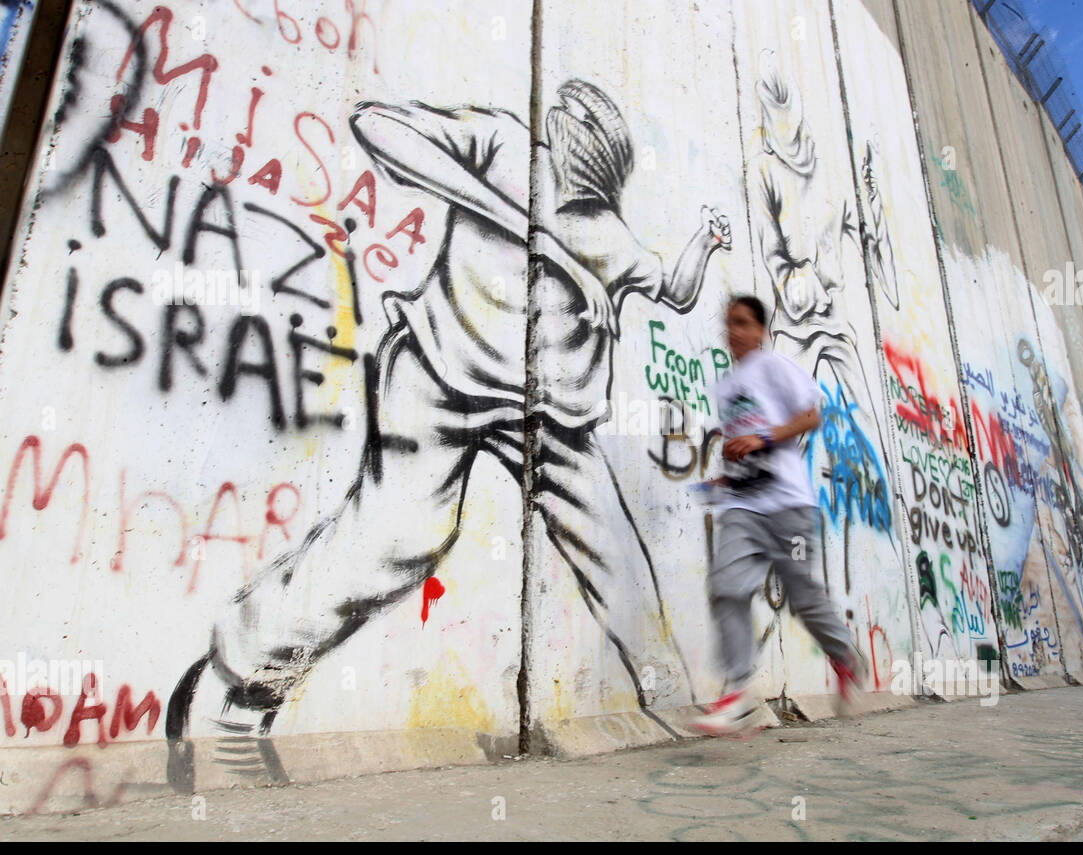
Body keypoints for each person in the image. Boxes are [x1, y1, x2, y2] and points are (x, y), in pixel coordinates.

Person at [166, 80, 733, 783]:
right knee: (396, 537)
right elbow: (378, 125)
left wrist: (706, 242)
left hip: (548, 415)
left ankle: (674, 704)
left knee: (614, 553)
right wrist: (535, 235)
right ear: (563, 134)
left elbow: (673, 289)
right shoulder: (499, 145)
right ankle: (232, 690)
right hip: (439, 373)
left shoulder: (610, 233)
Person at [689, 295, 870, 738]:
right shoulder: (725, 387)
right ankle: (737, 693)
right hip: (744, 507)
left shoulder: (772, 367)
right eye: (728, 323)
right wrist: (726, 480)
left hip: (789, 507)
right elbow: (744, 447)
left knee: (803, 596)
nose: (733, 331)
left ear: (760, 331)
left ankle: (844, 655)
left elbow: (811, 415)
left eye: (742, 323)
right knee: (726, 588)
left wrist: (763, 437)